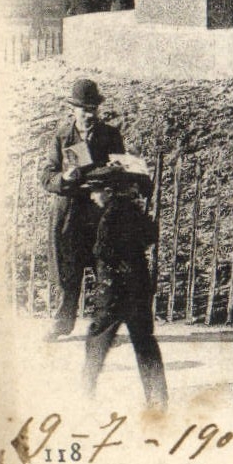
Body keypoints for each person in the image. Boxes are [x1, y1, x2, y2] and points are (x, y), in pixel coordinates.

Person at [40, 77, 125, 338]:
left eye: (93, 109)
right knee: (68, 270)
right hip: (69, 214)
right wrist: (63, 179)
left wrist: (110, 178)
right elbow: (47, 176)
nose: (89, 114)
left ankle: (103, 327)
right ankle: (62, 322)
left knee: (104, 268)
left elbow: (122, 169)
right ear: (73, 110)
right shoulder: (62, 136)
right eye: (84, 109)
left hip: (98, 213)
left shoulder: (110, 135)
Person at [83, 161, 168, 410]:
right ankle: (157, 399)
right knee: (145, 342)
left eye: (95, 190)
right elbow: (150, 237)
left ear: (108, 192)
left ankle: (84, 394)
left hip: (113, 290)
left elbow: (103, 250)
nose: (92, 196)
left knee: (97, 340)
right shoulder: (135, 211)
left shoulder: (109, 215)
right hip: (139, 287)